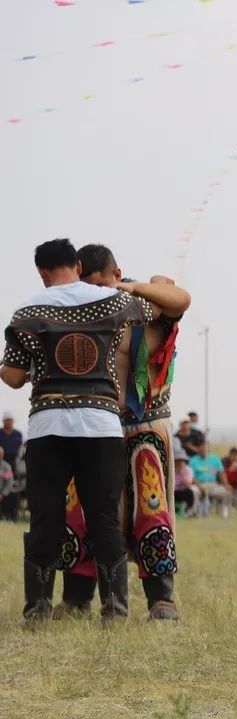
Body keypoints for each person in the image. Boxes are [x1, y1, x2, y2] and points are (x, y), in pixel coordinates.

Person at [2, 239, 161, 625]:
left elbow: (13, 377)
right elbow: (159, 307)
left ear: (41, 272)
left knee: (45, 518)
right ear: (76, 263)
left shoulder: (27, 313)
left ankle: (37, 610)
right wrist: (133, 285)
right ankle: (115, 610)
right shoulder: (111, 302)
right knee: (104, 517)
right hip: (100, 425)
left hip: (47, 428)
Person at [52, 244, 190, 621]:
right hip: (97, 426)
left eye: (101, 285)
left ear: (117, 274)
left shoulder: (145, 306)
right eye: (88, 287)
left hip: (145, 425)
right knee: (79, 510)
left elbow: (181, 298)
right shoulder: (78, 314)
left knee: (151, 507)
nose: (96, 295)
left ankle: (161, 601)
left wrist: (128, 289)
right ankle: (77, 599)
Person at [189, 443, 230, 517]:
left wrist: (226, 484)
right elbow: (191, 477)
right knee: (193, 491)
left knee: (226, 491)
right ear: (199, 449)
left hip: (213, 484)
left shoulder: (215, 459)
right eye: (202, 449)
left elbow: (221, 473)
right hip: (199, 485)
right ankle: (194, 512)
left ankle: (223, 511)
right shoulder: (193, 461)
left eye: (206, 449)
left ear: (209, 450)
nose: (204, 450)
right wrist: (199, 486)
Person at [173, 449, 196, 517]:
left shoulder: (188, 470)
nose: (179, 463)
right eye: (177, 460)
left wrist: (182, 473)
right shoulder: (170, 470)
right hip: (173, 492)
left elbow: (188, 484)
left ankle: (189, 510)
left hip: (183, 491)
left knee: (190, 492)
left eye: (181, 460)